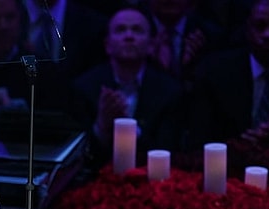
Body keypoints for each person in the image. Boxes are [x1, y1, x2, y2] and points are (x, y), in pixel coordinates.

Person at [186, 0, 269, 190]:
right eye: (260, 26)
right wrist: (241, 147)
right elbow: (197, 142)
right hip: (226, 184)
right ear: (247, 29)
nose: (268, 35)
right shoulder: (215, 72)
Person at [70, 6, 185, 173]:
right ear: (107, 45)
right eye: (120, 30)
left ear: (151, 45)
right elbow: (78, 156)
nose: (129, 36)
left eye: (137, 30)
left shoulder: (170, 92)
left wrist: (129, 127)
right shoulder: (84, 87)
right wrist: (101, 126)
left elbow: (167, 151)